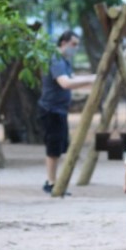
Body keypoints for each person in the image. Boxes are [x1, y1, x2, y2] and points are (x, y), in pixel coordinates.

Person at [38, 31, 96, 194]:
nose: (76, 48)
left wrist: (93, 77)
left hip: (59, 109)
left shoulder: (64, 61)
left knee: (60, 147)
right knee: (53, 148)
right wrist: (91, 80)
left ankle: (54, 181)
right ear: (63, 43)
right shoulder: (56, 60)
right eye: (74, 44)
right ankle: (51, 182)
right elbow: (65, 83)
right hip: (51, 109)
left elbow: (72, 77)